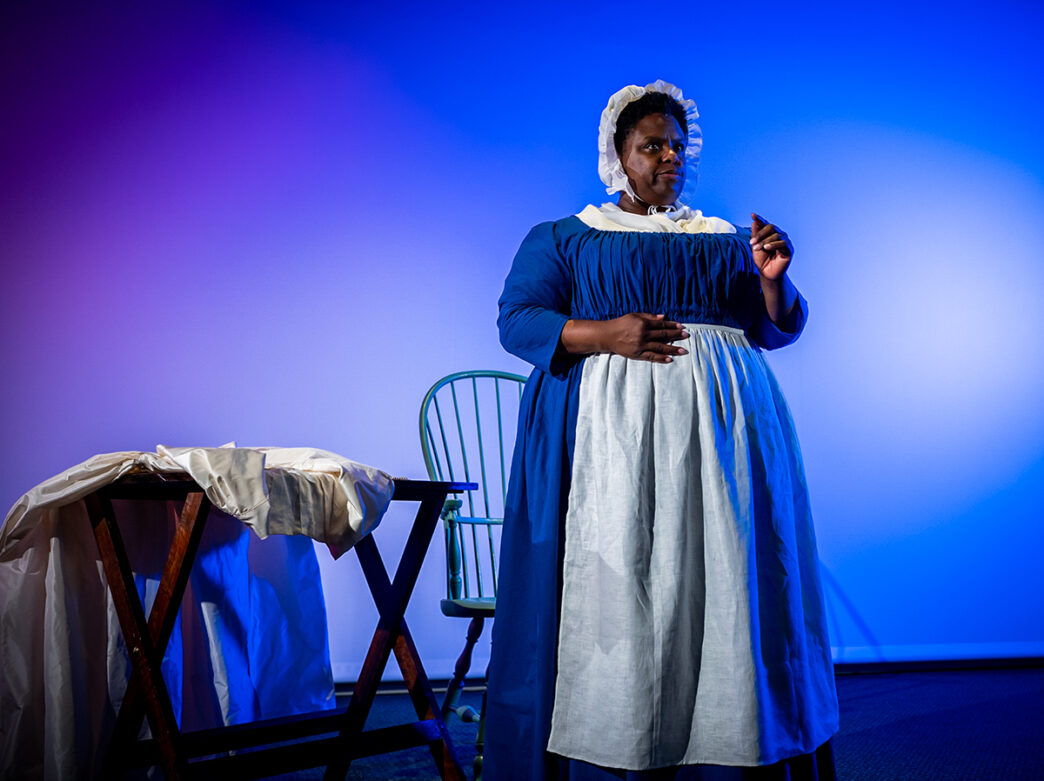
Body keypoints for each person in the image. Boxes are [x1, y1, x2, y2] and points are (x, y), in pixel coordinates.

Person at [484, 80, 839, 781]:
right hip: (612, 442)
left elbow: (774, 327)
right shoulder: (568, 237)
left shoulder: (723, 239)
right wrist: (605, 332)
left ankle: (732, 741)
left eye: (676, 144)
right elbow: (518, 320)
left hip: (726, 440)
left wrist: (772, 279)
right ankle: (623, 739)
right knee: (629, 581)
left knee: (730, 581)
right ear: (618, 155)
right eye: (652, 145)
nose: (669, 156)